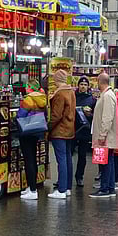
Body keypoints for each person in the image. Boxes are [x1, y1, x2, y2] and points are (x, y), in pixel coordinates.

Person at [89, 73, 118, 198]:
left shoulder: (107, 96)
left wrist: (102, 134)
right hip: (107, 136)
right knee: (109, 161)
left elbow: (107, 117)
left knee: (105, 162)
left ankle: (105, 188)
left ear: (100, 81)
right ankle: (110, 187)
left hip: (105, 137)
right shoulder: (108, 95)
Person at [48, 69, 76, 199]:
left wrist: (48, 127)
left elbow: (56, 115)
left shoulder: (60, 94)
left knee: (61, 160)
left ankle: (61, 190)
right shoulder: (71, 92)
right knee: (68, 158)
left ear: (56, 79)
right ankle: (68, 187)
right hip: (70, 129)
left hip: (59, 131)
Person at [18, 80, 47, 200]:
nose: (25, 89)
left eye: (26, 86)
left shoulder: (28, 100)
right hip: (37, 131)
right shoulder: (42, 98)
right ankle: (31, 187)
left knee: (28, 160)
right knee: (33, 159)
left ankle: (33, 190)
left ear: (30, 88)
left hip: (27, 131)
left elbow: (20, 115)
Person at [74, 76, 96, 187]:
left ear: (88, 86)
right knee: (68, 154)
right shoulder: (73, 96)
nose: (83, 86)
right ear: (78, 86)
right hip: (73, 129)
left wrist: (90, 115)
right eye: (81, 84)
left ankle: (80, 176)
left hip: (85, 130)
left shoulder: (91, 99)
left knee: (82, 155)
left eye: (85, 85)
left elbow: (95, 115)